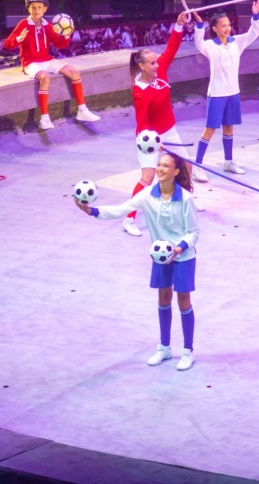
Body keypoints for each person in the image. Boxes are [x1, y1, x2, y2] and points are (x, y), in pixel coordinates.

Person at [75, 151, 200, 370]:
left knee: (183, 301)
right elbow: (121, 209)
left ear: (176, 172)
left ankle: (188, 351)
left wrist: (179, 248)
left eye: (166, 166)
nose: (160, 169)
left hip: (183, 256)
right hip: (161, 256)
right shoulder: (147, 195)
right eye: (159, 164)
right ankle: (164, 347)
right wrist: (91, 211)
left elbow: (194, 232)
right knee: (163, 298)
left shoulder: (185, 199)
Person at [123, 11, 193, 237]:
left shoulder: (160, 69)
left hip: (169, 130)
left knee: (187, 166)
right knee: (148, 178)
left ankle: (185, 203)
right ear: (142, 66)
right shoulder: (139, 92)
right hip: (148, 139)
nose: (157, 64)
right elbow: (142, 123)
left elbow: (171, 48)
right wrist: (155, 142)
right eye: (152, 62)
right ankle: (129, 219)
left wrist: (179, 25)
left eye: (156, 61)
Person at [190, 0, 259, 183]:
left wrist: (255, 16)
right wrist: (199, 25)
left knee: (229, 128)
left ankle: (228, 162)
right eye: (223, 26)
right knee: (209, 130)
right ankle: (197, 166)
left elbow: (253, 33)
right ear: (214, 28)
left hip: (233, 92)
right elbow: (198, 43)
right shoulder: (209, 46)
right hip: (217, 94)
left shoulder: (236, 42)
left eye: (228, 25)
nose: (227, 28)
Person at [3, 0, 100, 130]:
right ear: (28, 9)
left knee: (74, 72)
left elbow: (59, 44)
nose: (36, 10)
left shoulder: (47, 25)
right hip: (30, 62)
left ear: (45, 9)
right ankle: (44, 118)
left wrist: (66, 36)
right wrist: (19, 39)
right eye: (33, 7)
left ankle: (82, 110)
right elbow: (7, 44)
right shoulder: (23, 24)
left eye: (39, 7)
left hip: (47, 60)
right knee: (45, 77)